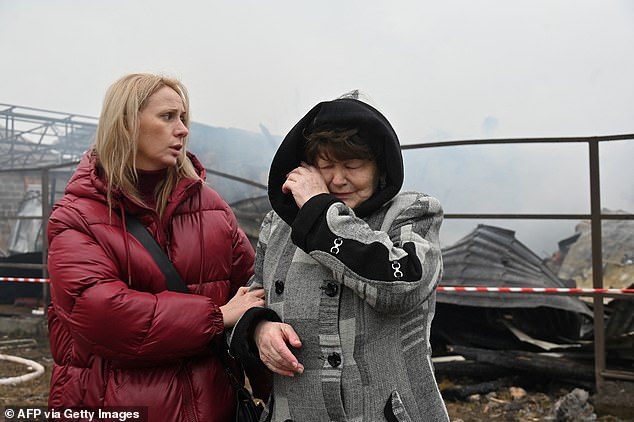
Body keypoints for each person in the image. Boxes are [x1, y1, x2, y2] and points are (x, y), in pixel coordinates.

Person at [46, 73, 265, 422]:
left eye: (183, 119)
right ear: (126, 123)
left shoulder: (212, 208)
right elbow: (105, 317)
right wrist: (217, 317)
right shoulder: (75, 218)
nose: (182, 130)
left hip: (216, 409)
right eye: (167, 117)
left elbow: (256, 294)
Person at [230, 94, 450, 421]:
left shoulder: (412, 213)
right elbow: (252, 298)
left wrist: (320, 212)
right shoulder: (277, 225)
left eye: (352, 165)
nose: (337, 179)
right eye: (326, 166)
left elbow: (402, 287)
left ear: (380, 168)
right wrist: (259, 328)